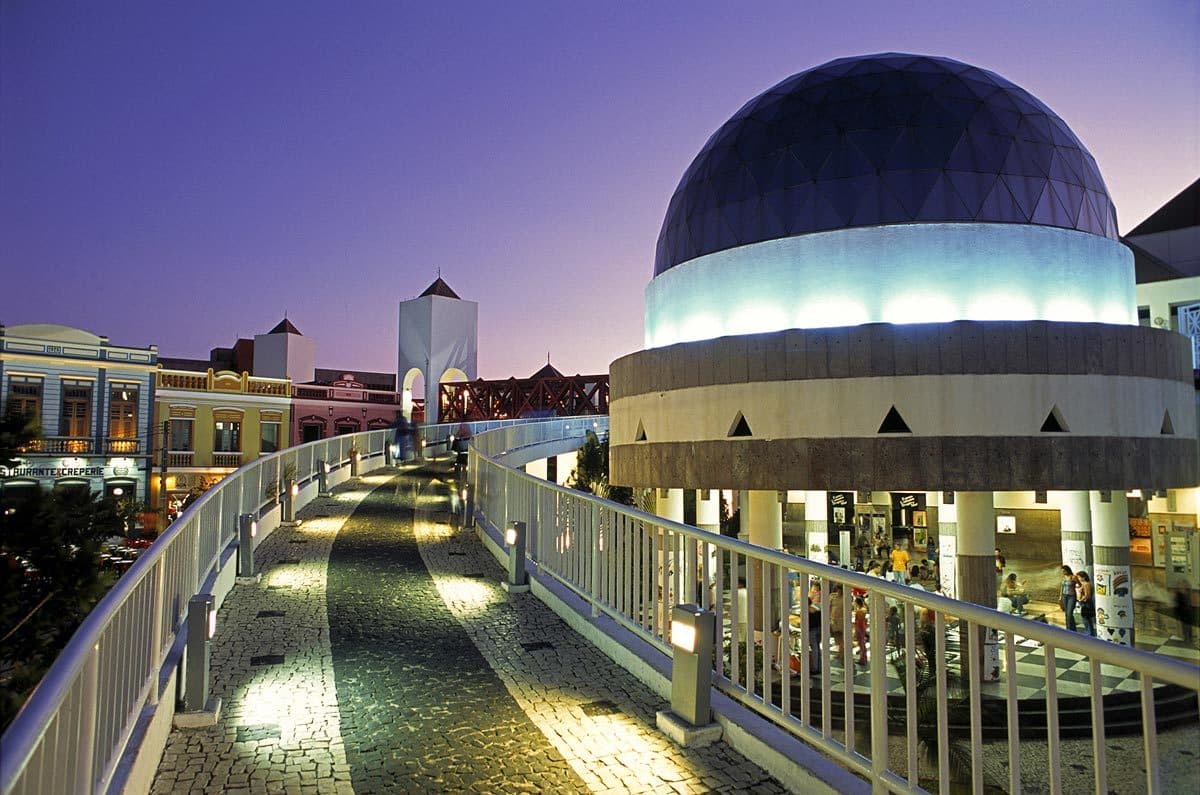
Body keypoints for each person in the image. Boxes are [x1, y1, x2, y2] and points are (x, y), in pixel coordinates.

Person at [1075, 571, 1096, 636]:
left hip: (1086, 603)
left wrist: (1081, 600)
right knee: (1085, 618)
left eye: (1079, 577)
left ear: (1083, 577)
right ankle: (1088, 631)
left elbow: (1088, 595)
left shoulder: (1086, 584)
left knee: (1087, 619)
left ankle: (1090, 632)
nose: (1078, 578)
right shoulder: (1083, 584)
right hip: (1084, 603)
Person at [1060, 565, 1078, 632]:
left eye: (1064, 571)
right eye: (1062, 571)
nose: (1063, 572)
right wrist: (1060, 597)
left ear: (1067, 570)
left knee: (1069, 613)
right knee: (1066, 613)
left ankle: (1072, 629)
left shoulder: (1073, 577)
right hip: (1064, 596)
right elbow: (1062, 587)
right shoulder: (1064, 577)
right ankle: (1069, 628)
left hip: (1071, 596)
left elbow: (1079, 584)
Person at [853, 596, 869, 665]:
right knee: (862, 643)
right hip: (862, 627)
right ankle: (863, 658)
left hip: (859, 627)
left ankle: (862, 659)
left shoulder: (860, 611)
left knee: (861, 643)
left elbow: (859, 620)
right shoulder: (863, 609)